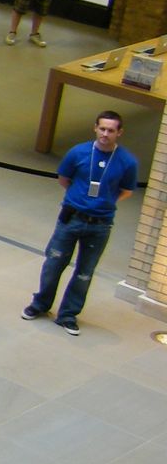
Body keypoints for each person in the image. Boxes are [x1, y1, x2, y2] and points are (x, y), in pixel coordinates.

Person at [24, 109, 139, 335]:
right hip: (72, 217)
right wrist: (80, 199)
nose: (105, 134)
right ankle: (40, 304)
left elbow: (126, 190)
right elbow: (64, 179)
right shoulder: (78, 153)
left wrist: (104, 201)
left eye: (111, 130)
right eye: (102, 128)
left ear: (119, 133)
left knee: (85, 272)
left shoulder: (127, 161)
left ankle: (68, 315)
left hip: (101, 224)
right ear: (95, 128)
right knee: (53, 263)